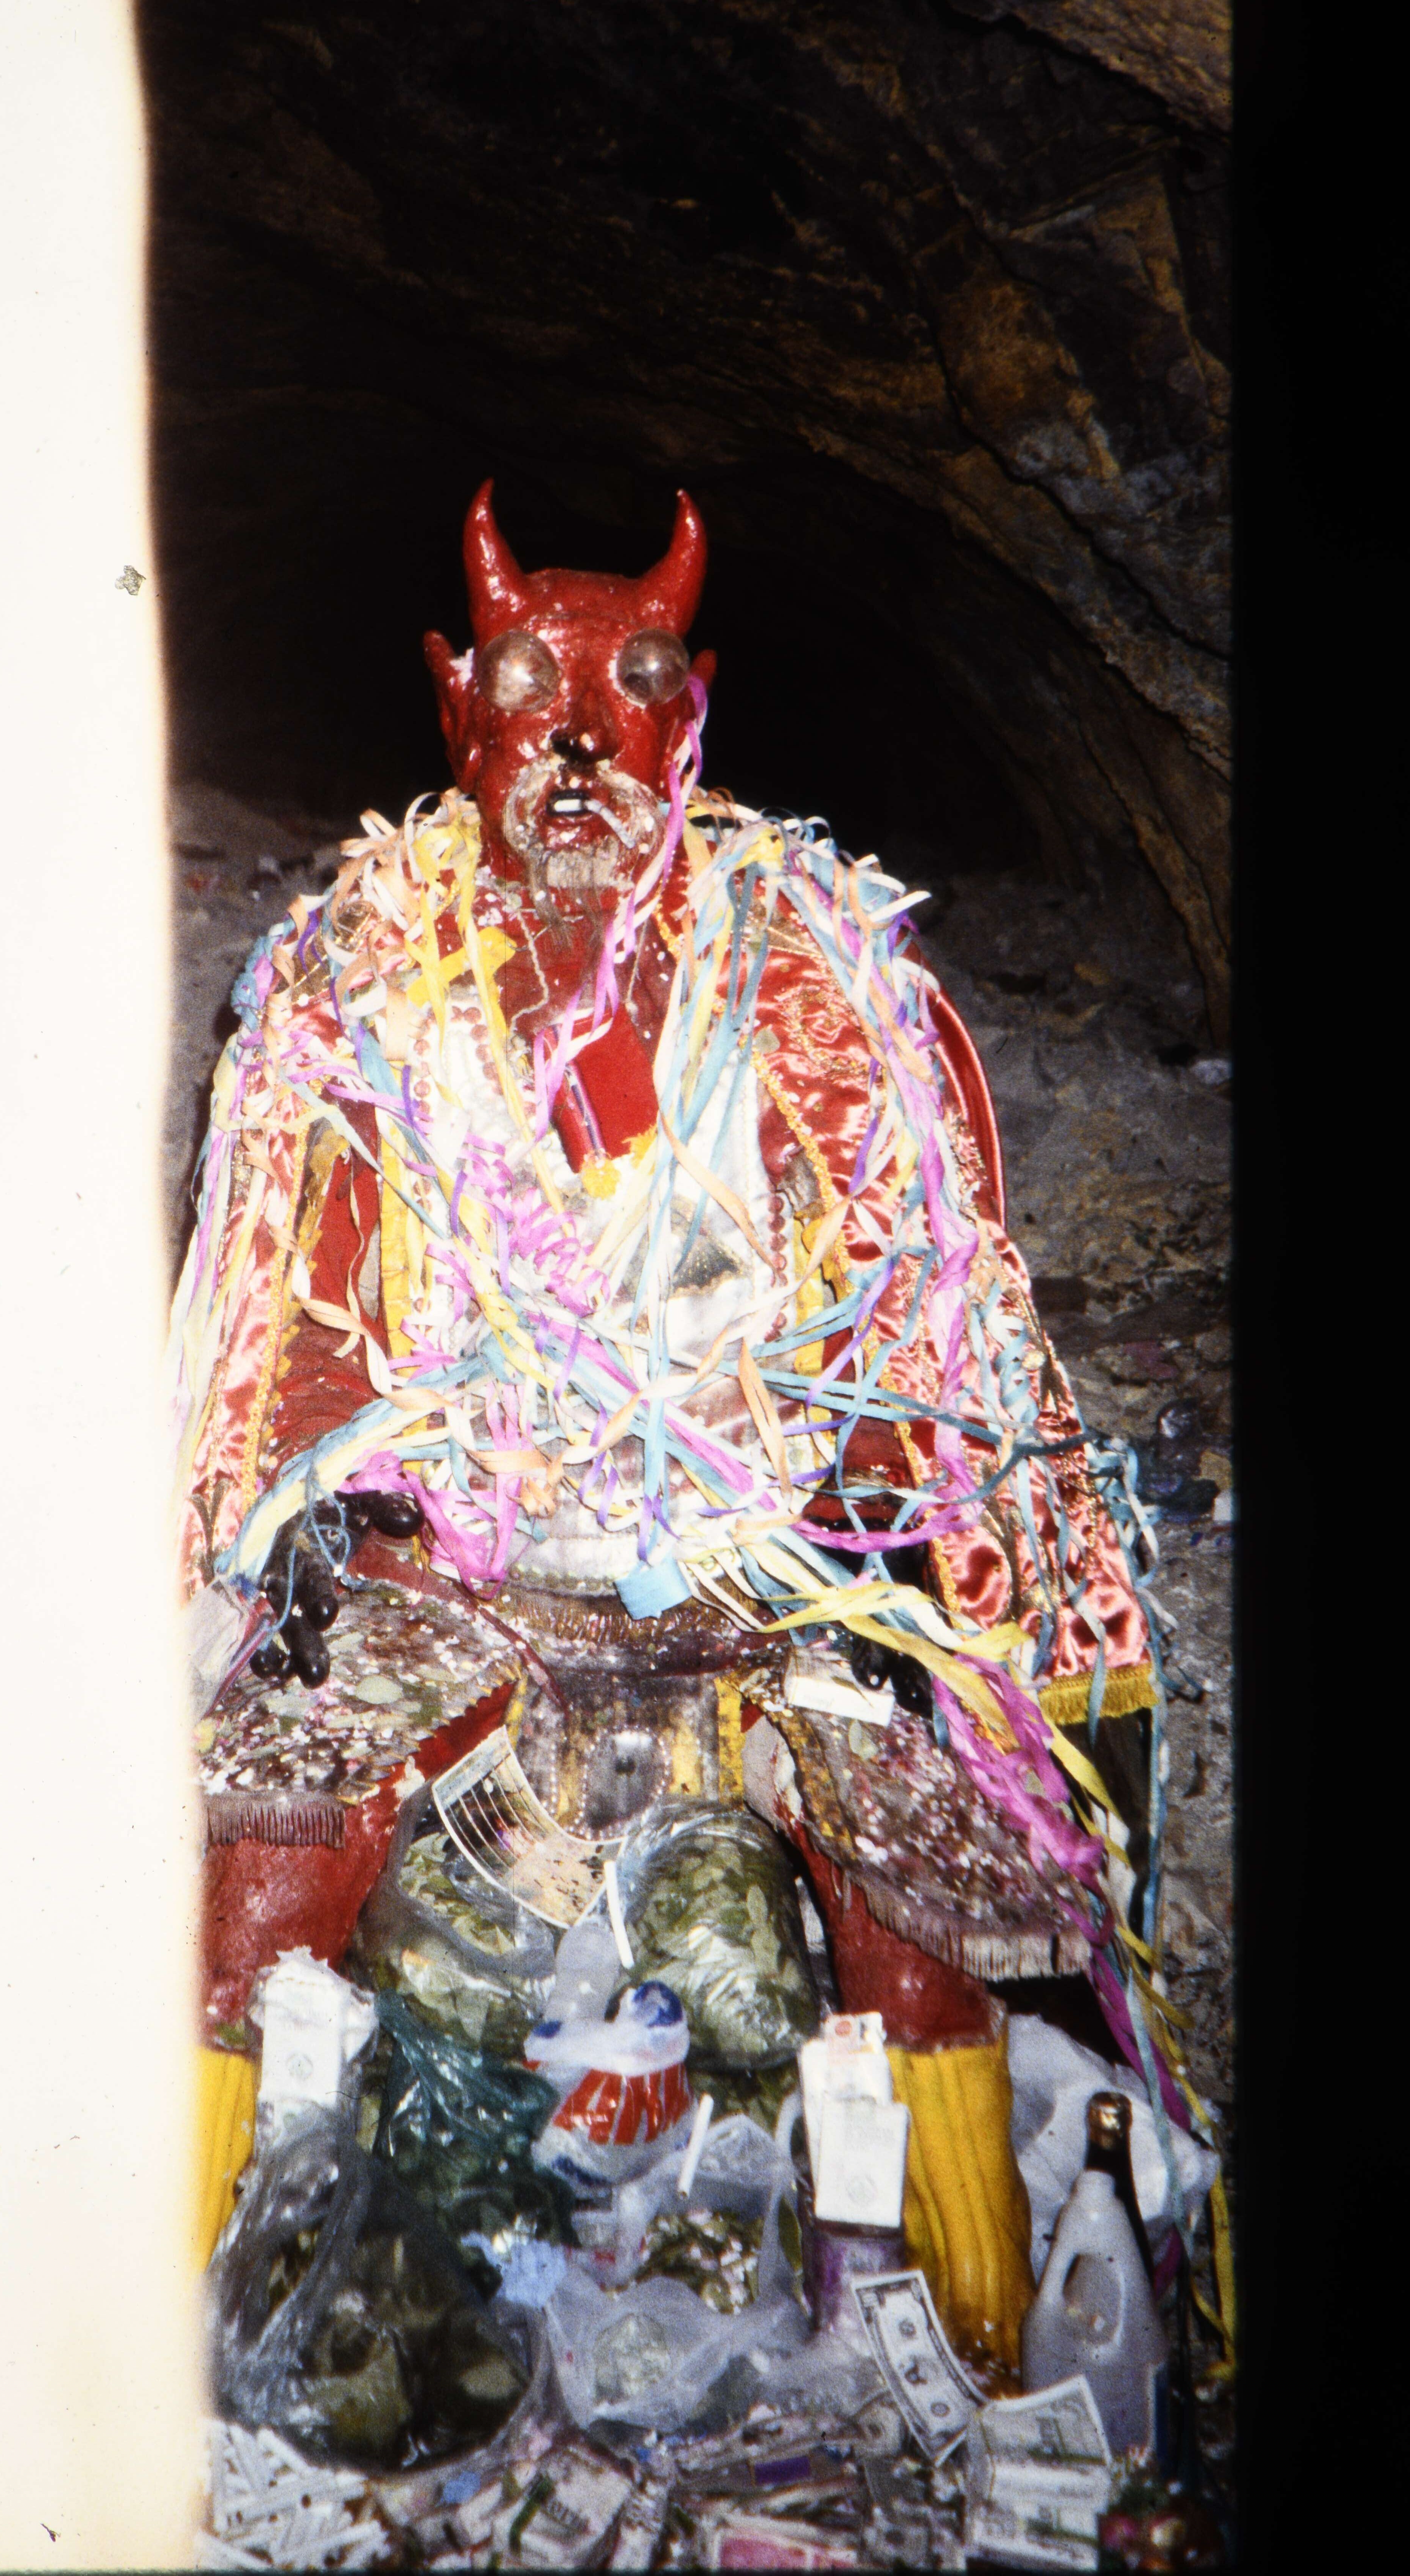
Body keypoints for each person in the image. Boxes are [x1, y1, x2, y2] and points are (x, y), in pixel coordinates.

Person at [172, 487, 1164, 2371]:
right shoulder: (358, 982)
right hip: (475, 1570)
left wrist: (883, 1566)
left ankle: (962, 2338)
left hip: (747, 1568)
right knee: (271, 1868)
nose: (576, 738)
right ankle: (189, 2302)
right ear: (457, 709)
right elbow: (297, 1351)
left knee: (921, 1902)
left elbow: (919, 1342)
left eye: (628, 687)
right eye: (527, 689)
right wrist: (367, 1506)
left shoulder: (815, 984)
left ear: (690, 712)